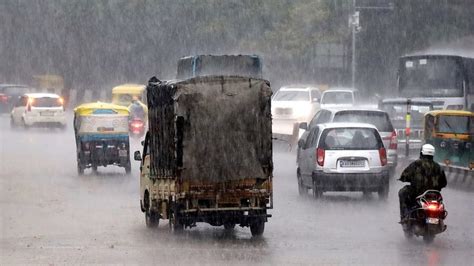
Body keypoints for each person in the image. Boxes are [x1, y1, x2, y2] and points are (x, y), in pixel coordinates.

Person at [398, 144, 447, 221]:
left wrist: (404, 179)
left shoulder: (416, 164)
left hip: (417, 193)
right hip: (434, 195)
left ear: (421, 153)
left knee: (402, 192)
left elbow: (404, 176)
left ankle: (404, 216)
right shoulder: (438, 167)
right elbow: (444, 183)